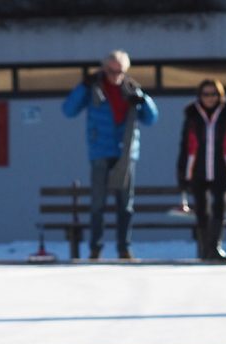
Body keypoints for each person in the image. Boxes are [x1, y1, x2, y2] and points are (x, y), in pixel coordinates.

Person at [62, 50, 158, 260]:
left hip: (126, 153)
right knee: (98, 204)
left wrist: (142, 99)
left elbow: (151, 118)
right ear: (104, 69)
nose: (115, 75)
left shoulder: (132, 89)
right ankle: (95, 248)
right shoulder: (93, 89)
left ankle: (124, 248)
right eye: (111, 70)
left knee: (125, 205)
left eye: (119, 71)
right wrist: (83, 86)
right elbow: (68, 110)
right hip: (100, 152)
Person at [176, 79, 226, 263]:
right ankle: (205, 249)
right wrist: (181, 173)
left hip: (222, 168)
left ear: (220, 95)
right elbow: (184, 146)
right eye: (205, 94)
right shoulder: (192, 115)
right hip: (197, 168)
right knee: (202, 211)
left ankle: (215, 247)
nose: (209, 98)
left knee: (220, 209)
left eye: (213, 94)